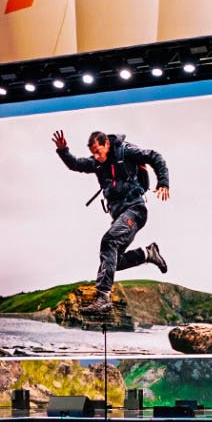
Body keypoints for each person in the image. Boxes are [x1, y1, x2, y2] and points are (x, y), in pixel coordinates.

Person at [51, 130, 171, 313]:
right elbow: (75, 164)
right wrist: (63, 150)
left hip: (135, 210)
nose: (96, 157)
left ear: (107, 144)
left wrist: (163, 183)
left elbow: (155, 156)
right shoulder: (97, 164)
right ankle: (148, 254)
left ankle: (103, 297)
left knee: (108, 241)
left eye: (99, 151)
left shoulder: (126, 152)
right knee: (114, 260)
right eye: (93, 153)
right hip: (119, 215)